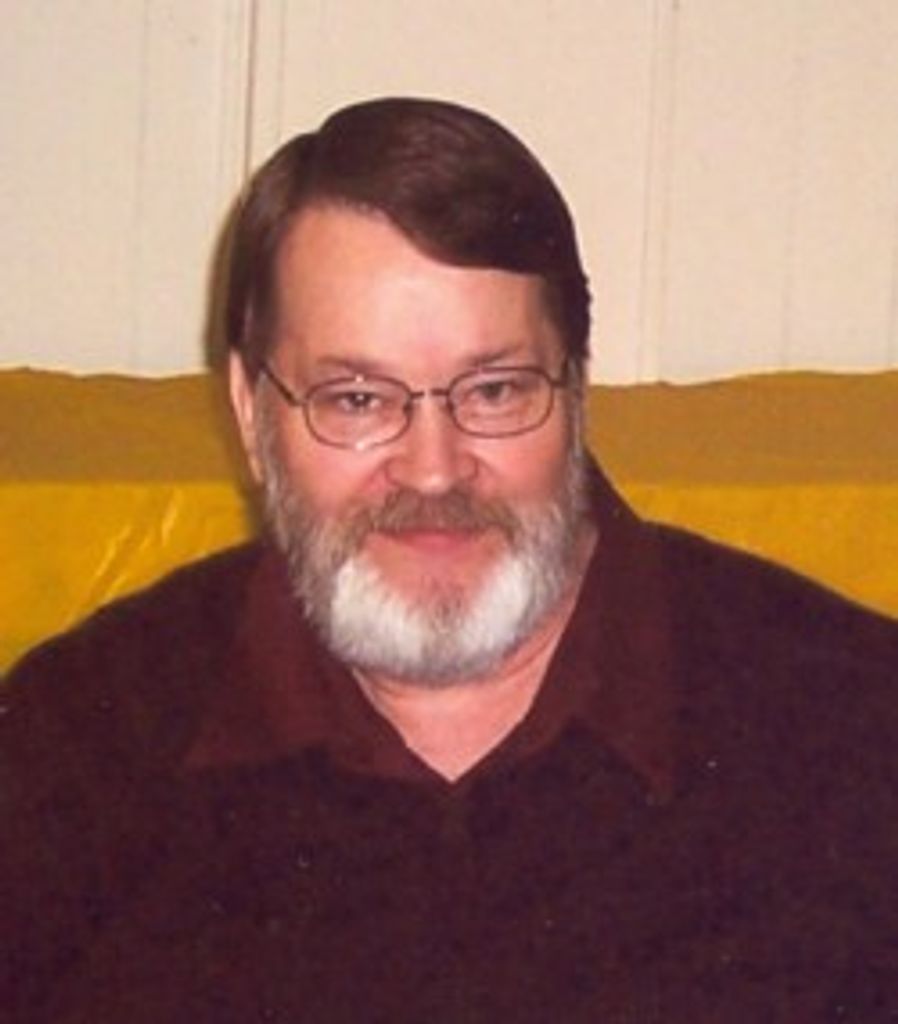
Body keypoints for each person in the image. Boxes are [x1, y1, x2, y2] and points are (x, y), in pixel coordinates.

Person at [2, 97, 897, 1023]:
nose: (432, 470)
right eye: (356, 399)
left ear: (577, 389)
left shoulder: (856, 730)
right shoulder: (75, 745)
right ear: (250, 413)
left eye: (495, 390)